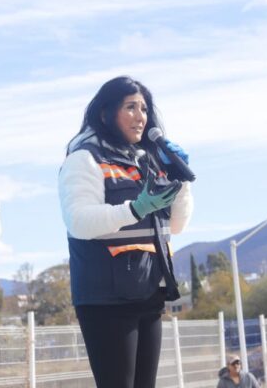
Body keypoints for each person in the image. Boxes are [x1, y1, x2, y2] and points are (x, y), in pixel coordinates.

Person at [58, 76, 194, 388]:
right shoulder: (84, 158)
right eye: (130, 107)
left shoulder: (147, 160)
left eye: (144, 108)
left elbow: (176, 225)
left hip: (147, 292)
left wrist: (179, 177)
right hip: (106, 299)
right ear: (106, 114)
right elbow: (78, 220)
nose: (140, 116)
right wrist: (135, 209)